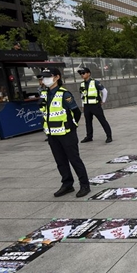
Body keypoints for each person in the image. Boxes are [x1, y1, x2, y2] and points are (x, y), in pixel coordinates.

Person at [38, 68, 91, 197]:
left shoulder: (64, 94)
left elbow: (76, 112)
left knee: (74, 159)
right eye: (43, 78)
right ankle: (67, 184)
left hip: (66, 133)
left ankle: (85, 185)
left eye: (47, 77)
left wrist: (72, 126)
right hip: (52, 134)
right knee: (60, 161)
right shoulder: (44, 94)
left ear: (57, 77)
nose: (44, 80)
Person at [78, 67, 112, 144]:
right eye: (81, 74)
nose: (82, 75)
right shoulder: (82, 84)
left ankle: (109, 136)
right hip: (87, 105)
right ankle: (89, 136)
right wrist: (83, 105)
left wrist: (103, 101)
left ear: (88, 74)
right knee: (88, 122)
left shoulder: (95, 82)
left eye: (83, 73)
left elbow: (104, 91)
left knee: (102, 120)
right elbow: (82, 95)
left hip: (95, 105)